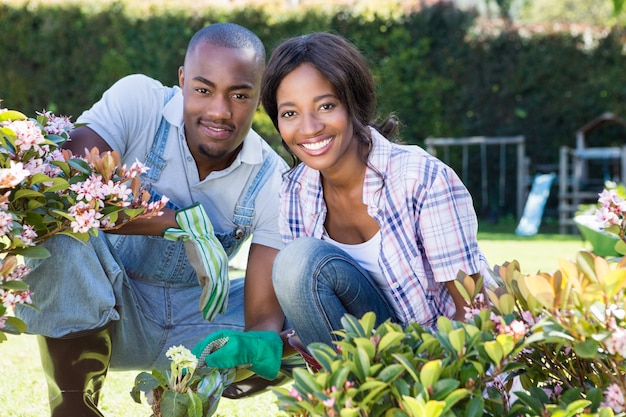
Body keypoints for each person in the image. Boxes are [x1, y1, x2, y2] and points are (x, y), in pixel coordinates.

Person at [15, 22, 296, 417]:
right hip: (105, 308)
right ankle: (74, 409)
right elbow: (64, 186)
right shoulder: (139, 101)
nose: (219, 111)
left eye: (239, 95)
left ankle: (182, 402)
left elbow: (263, 318)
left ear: (259, 96)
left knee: (305, 303)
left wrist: (254, 347)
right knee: (61, 233)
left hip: (198, 324)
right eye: (202, 90)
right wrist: (180, 224)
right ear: (182, 81)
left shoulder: (273, 180)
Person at [258, 32, 492, 349]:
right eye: (290, 113)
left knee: (296, 260)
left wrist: (440, 388)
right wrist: (270, 345)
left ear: (354, 104)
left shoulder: (421, 179)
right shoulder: (294, 193)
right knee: (295, 263)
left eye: (326, 106)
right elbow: (316, 313)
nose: (309, 127)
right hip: (366, 362)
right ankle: (345, 397)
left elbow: (473, 313)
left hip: (441, 362)